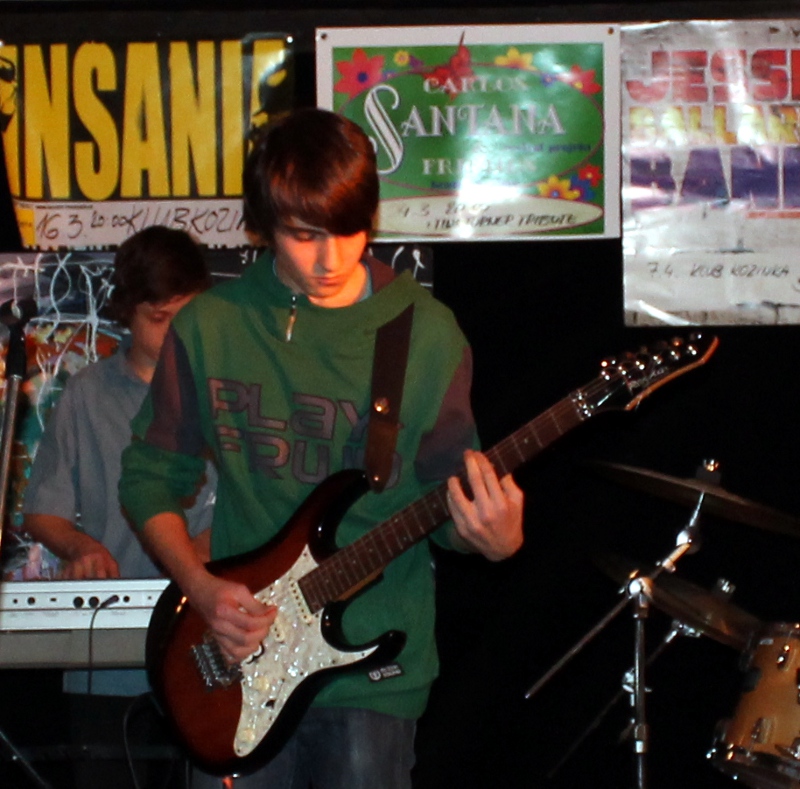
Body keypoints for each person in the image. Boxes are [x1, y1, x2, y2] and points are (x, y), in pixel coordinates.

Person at [118, 107, 524, 789]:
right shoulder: (212, 327)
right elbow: (148, 477)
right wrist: (202, 587)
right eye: (304, 235)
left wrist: (495, 537)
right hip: (238, 661)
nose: (331, 259)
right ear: (262, 225)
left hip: (373, 675)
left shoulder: (425, 334)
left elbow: (449, 504)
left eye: (349, 231)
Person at [22, 225, 216, 789]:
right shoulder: (87, 393)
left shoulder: (226, 390)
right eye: (160, 318)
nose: (177, 333)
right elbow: (42, 510)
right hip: (109, 656)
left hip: (210, 640)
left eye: (188, 316)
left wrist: (206, 549)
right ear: (127, 312)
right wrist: (81, 546)